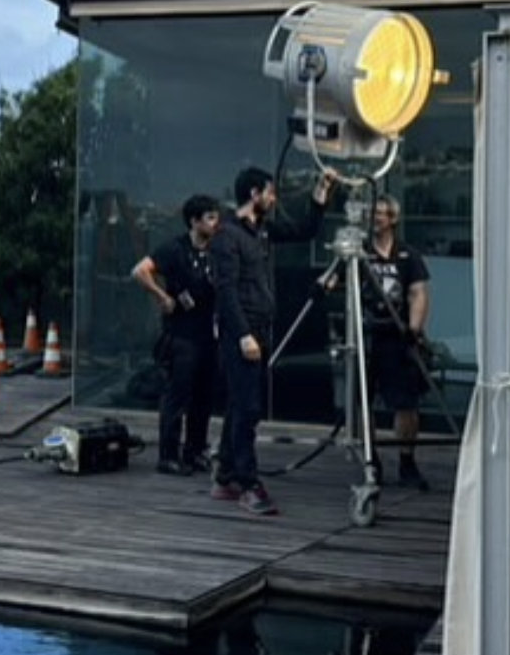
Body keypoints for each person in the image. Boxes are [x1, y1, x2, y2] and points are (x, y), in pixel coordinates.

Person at [211, 165, 334, 515]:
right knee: (248, 408)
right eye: (269, 192)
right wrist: (243, 335)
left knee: (240, 404)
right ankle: (248, 483)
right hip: (243, 332)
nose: (274, 198)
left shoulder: (262, 230)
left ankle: (225, 475)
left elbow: (304, 230)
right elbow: (225, 291)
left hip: (261, 328)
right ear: (254, 194)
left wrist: (320, 194)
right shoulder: (227, 236)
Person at [131, 194, 220, 475]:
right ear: (194, 221)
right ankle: (168, 455)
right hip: (182, 335)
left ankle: (195, 450)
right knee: (177, 396)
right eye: (209, 218)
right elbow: (140, 271)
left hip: (208, 333)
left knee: (203, 397)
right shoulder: (175, 249)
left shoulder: (216, 250)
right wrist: (162, 296)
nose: (215, 223)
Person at [360, 194, 432, 490]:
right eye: (372, 213)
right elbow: (333, 282)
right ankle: (371, 461)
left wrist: (414, 329)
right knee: (363, 401)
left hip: (398, 336)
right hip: (366, 335)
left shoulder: (407, 255)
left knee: (406, 403)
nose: (375, 218)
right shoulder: (359, 253)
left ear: (393, 219)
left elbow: (418, 292)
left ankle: (407, 461)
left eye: (381, 213)